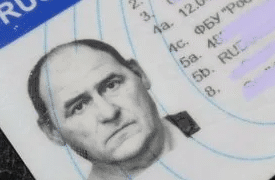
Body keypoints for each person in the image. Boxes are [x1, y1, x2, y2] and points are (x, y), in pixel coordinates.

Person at [28, 39, 199, 180]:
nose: (109, 113)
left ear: (140, 74)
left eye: (111, 85)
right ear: (53, 132)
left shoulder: (209, 118)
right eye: (78, 107)